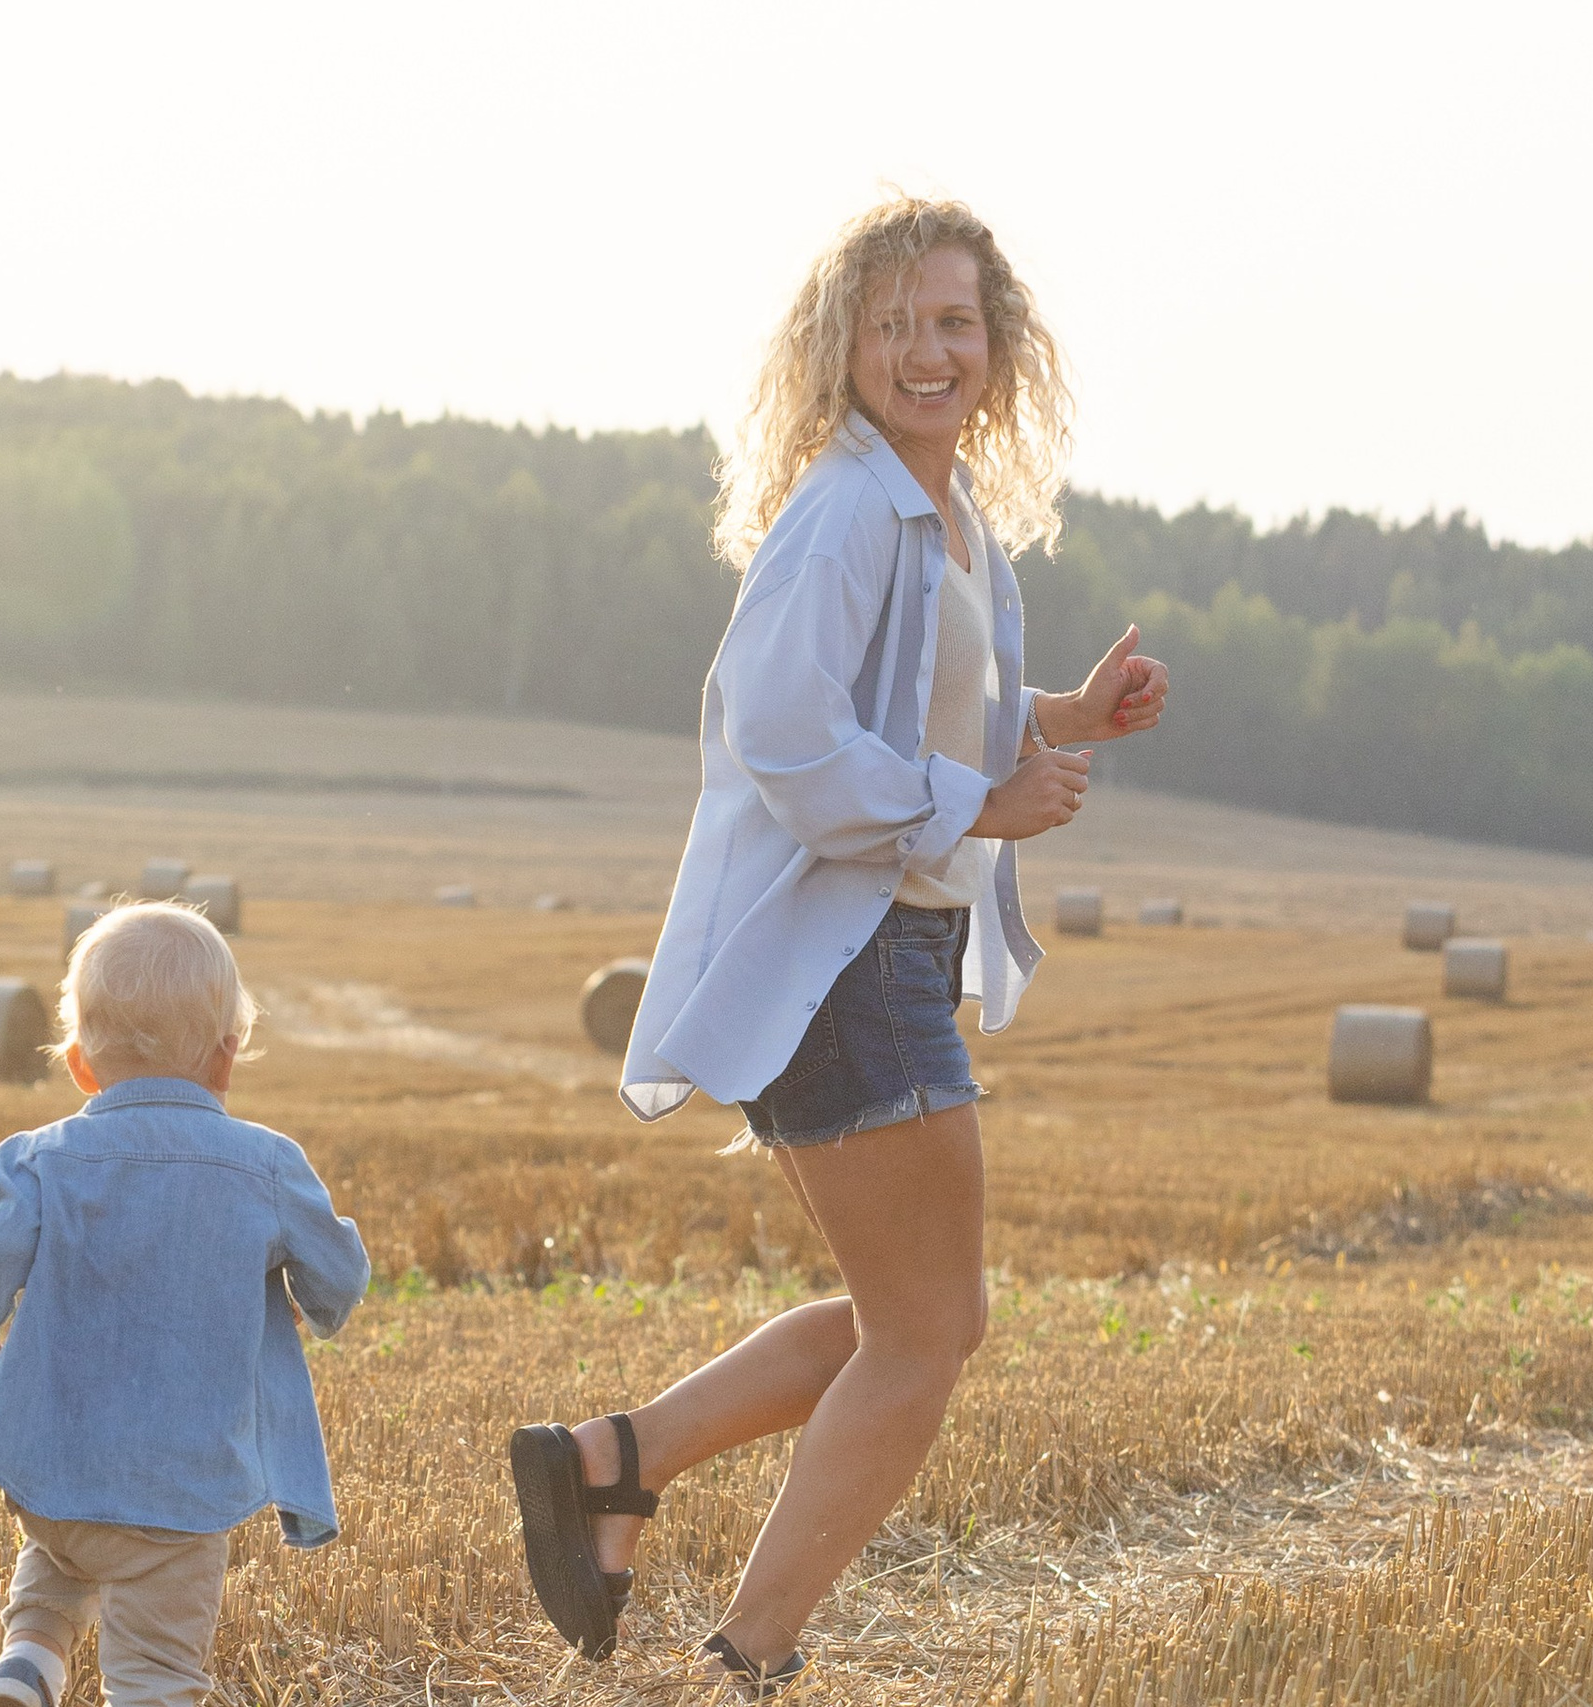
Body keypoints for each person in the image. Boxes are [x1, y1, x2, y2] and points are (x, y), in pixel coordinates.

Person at [508, 197, 1169, 1696]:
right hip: (847, 958)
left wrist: (1063, 717)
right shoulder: (847, 511)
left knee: (912, 1321)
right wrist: (981, 800)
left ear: (998, 344)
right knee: (926, 1336)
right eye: (894, 325)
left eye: (954, 322)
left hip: (884, 952)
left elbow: (914, 709)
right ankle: (746, 1652)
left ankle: (614, 1462)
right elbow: (788, 732)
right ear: (842, 347)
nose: (928, 351)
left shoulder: (941, 512)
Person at [0, 902, 371, 1707]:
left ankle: (27, 1664)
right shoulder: (267, 1165)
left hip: (54, 1475)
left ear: (79, 1064)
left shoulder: (37, 1159)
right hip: (177, 1495)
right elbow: (339, 1274)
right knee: (157, 1673)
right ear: (227, 1056)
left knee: (59, 1562)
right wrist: (310, 1301)